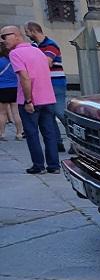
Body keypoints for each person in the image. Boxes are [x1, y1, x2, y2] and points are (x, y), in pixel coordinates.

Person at [1, 26, 59, 174]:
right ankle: (54, 166)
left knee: (32, 134)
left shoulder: (15, 53)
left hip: (31, 101)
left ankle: (38, 166)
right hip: (48, 98)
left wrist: (28, 100)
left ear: (15, 35)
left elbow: (25, 78)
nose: (2, 41)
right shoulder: (38, 51)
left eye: (4, 37)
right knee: (49, 133)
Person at [24, 22, 65, 152]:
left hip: (56, 82)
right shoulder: (34, 46)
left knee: (60, 112)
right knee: (49, 114)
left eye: (27, 31)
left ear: (32, 31)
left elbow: (47, 63)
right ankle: (58, 142)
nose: (26, 34)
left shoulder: (50, 44)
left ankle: (76, 139)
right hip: (43, 83)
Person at [0, 44, 24, 141]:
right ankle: (19, 133)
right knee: (16, 112)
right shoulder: (14, 60)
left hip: (2, 88)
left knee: (2, 113)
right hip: (15, 87)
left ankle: (2, 134)